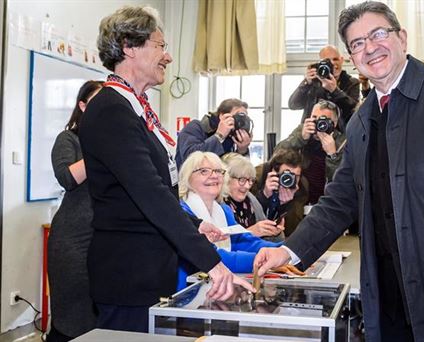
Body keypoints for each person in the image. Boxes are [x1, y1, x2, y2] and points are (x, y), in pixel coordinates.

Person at [254, 2, 424, 341]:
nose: (369, 47)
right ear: (353, 59)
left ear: (402, 37)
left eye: (378, 34)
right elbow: (339, 201)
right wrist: (287, 251)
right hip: (392, 298)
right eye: (357, 44)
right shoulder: (359, 122)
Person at [79, 6, 253, 332]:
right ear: (129, 46)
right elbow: (151, 194)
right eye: (160, 46)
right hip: (127, 275)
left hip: (149, 271)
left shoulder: (135, 109)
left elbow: (158, 190)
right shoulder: (111, 110)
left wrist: (196, 224)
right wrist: (213, 264)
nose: (168, 57)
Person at [176, 151, 287, 290]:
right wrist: (266, 260)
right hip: (189, 289)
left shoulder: (223, 209)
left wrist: (285, 250)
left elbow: (245, 241)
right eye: (204, 171)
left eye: (218, 171)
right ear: (187, 177)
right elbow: (215, 256)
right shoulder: (182, 211)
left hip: (222, 285)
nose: (214, 175)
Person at [47, 80, 103, 342]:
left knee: (98, 318)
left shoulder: (118, 142)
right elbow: (67, 178)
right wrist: (101, 147)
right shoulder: (68, 139)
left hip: (103, 239)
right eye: (97, 101)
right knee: (72, 319)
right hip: (73, 240)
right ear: (82, 105)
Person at [275, 100, 346, 205]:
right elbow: (277, 155)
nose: (319, 124)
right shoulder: (303, 130)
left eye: (324, 120)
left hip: (327, 200)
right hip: (300, 195)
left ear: (334, 124)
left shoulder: (342, 142)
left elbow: (342, 182)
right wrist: (301, 138)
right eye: (314, 118)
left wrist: (332, 156)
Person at [288, 45, 360, 125]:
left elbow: (354, 111)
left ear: (341, 60)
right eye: (327, 61)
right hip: (312, 131)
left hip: (339, 134)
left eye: (335, 59)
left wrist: (334, 91)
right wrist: (306, 83)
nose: (332, 63)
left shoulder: (352, 83)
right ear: (320, 63)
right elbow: (293, 105)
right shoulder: (313, 82)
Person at [222, 153, 285, 242]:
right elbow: (222, 243)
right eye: (242, 180)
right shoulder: (219, 204)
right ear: (226, 179)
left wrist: (274, 232)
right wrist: (250, 232)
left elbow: (266, 237)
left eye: (250, 180)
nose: (247, 186)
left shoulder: (251, 199)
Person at [175, 98, 252, 168]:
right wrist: (219, 136)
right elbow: (190, 158)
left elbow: (236, 172)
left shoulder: (231, 137)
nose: (241, 120)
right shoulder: (195, 127)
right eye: (239, 116)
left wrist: (242, 151)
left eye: (245, 117)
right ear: (222, 116)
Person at [250, 148, 305, 237]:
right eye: (286, 174)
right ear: (274, 171)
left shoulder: (301, 186)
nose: (289, 179)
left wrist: (286, 205)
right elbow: (247, 219)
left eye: (295, 176)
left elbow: (292, 230)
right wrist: (264, 195)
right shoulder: (255, 178)